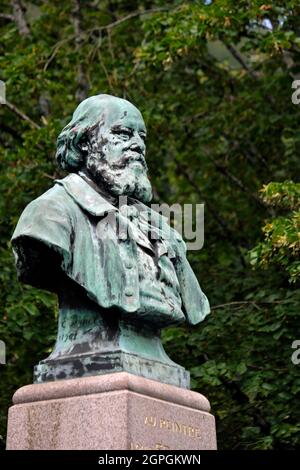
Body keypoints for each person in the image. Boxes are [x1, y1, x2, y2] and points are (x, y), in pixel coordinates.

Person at [11, 94, 210, 384]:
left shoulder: (161, 228)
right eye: (121, 133)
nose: (138, 145)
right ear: (83, 143)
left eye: (142, 136)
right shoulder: (50, 213)